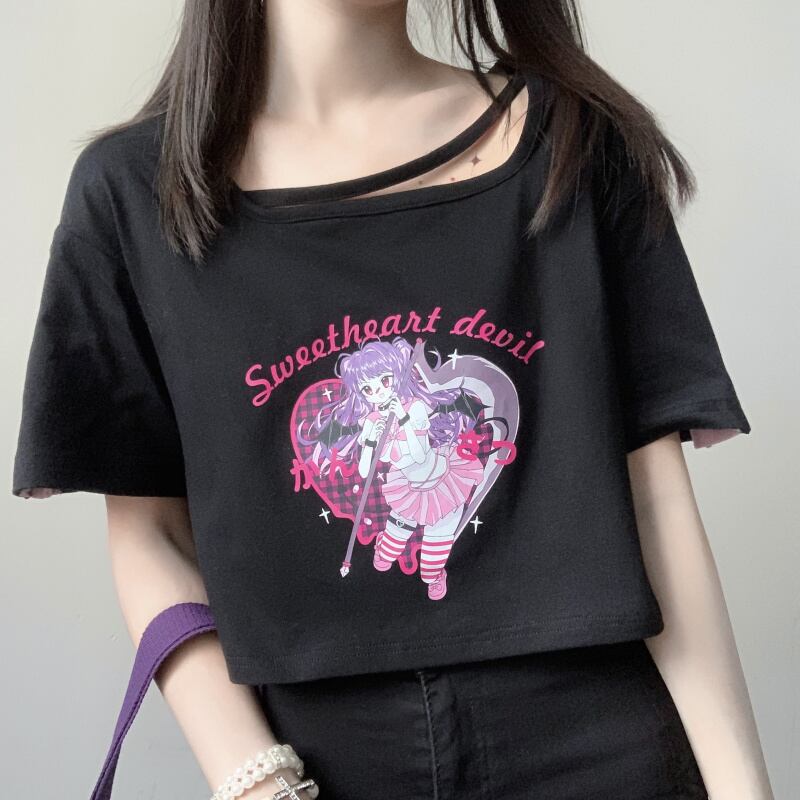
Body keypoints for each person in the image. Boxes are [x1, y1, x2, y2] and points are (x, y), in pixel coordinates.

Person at [10, 1, 774, 799]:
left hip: (598, 738)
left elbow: (654, 500)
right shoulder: (133, 192)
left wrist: (742, 786)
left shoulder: (576, 143)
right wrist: (255, 780)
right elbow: (151, 533)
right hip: (311, 755)